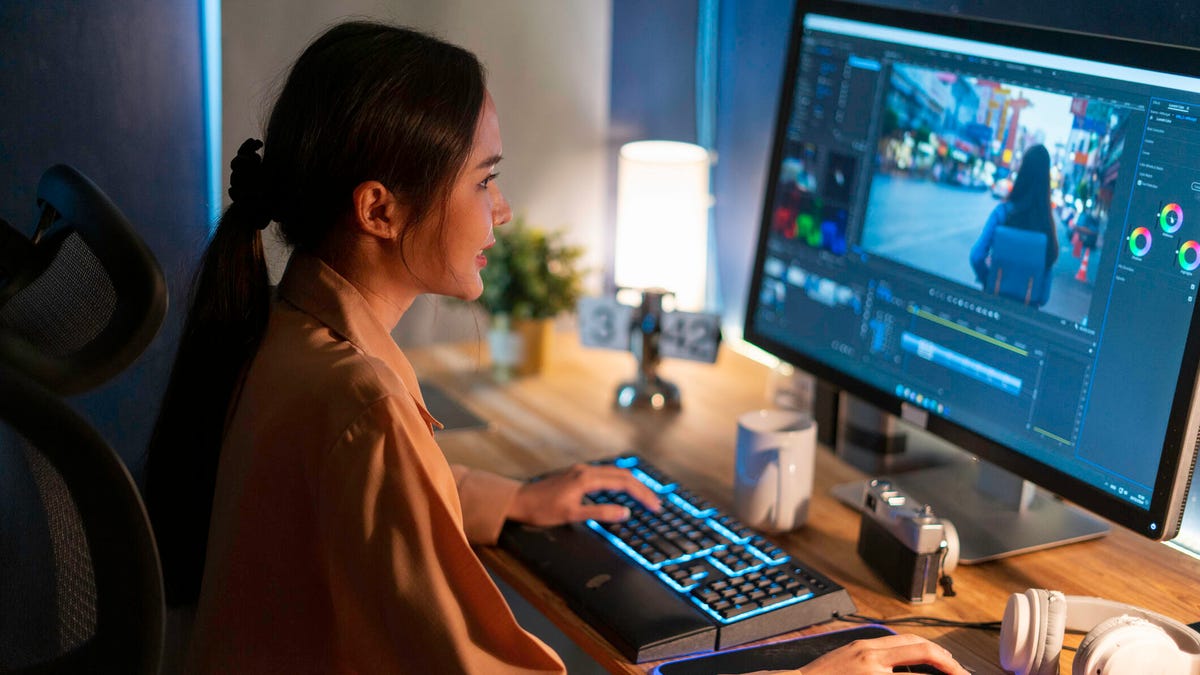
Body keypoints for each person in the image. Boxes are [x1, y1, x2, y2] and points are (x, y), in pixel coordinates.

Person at [143, 20, 969, 675]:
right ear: (378, 209)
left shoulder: (294, 334)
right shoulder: (364, 407)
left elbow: (369, 504)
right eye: (483, 179)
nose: (500, 213)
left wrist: (512, 498)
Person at [970, 144, 1059, 306]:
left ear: (1022, 172)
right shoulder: (1047, 226)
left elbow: (976, 256)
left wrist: (989, 280)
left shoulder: (1002, 213)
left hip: (993, 301)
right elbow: (1044, 297)